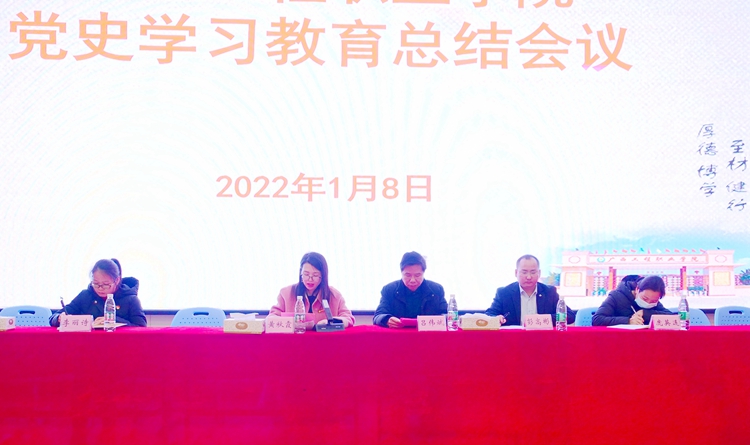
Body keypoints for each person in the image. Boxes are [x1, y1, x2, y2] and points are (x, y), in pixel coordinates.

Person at [50, 258, 147, 327]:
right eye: (96, 284)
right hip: (87, 345)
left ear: (117, 280)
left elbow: (141, 328)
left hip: (120, 345)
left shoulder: (131, 299)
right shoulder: (85, 296)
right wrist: (59, 318)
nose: (100, 288)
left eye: (105, 284)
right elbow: (53, 317)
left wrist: (114, 320)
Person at [269, 252, 355, 329]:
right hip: (294, 340)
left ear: (323, 276)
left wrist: (331, 321)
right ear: (300, 273)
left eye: (315, 275)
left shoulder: (334, 295)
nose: (310, 279)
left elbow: (348, 318)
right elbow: (271, 318)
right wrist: (289, 322)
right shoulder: (286, 293)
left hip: (323, 340)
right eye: (306, 274)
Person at [485, 254, 575, 326]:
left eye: (533, 272)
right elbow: (489, 314)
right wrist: (496, 318)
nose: (528, 277)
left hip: (543, 339)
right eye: (524, 272)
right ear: (516, 273)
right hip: (513, 340)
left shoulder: (549, 292)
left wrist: (544, 319)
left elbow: (569, 316)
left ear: (539, 273)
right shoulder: (504, 293)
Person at [373, 251, 447, 328]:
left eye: (417, 275)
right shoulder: (389, 290)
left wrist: (442, 319)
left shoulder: (436, 289)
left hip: (427, 334)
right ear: (401, 273)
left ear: (423, 273)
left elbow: (447, 315)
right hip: (399, 334)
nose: (412, 280)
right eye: (408, 275)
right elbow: (378, 316)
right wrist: (386, 319)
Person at [592, 275, 672, 326]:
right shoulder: (616, 296)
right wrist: (628, 321)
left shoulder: (653, 299)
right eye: (645, 298)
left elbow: (672, 317)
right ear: (637, 289)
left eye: (653, 301)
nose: (648, 303)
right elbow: (597, 319)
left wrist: (646, 313)